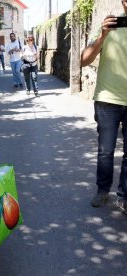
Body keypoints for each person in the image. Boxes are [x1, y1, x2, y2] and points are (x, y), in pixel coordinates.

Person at [81, 0, 127, 214]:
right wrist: (102, 36)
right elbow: (84, 60)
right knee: (105, 151)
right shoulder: (108, 25)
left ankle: (124, 195)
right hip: (107, 99)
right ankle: (102, 190)